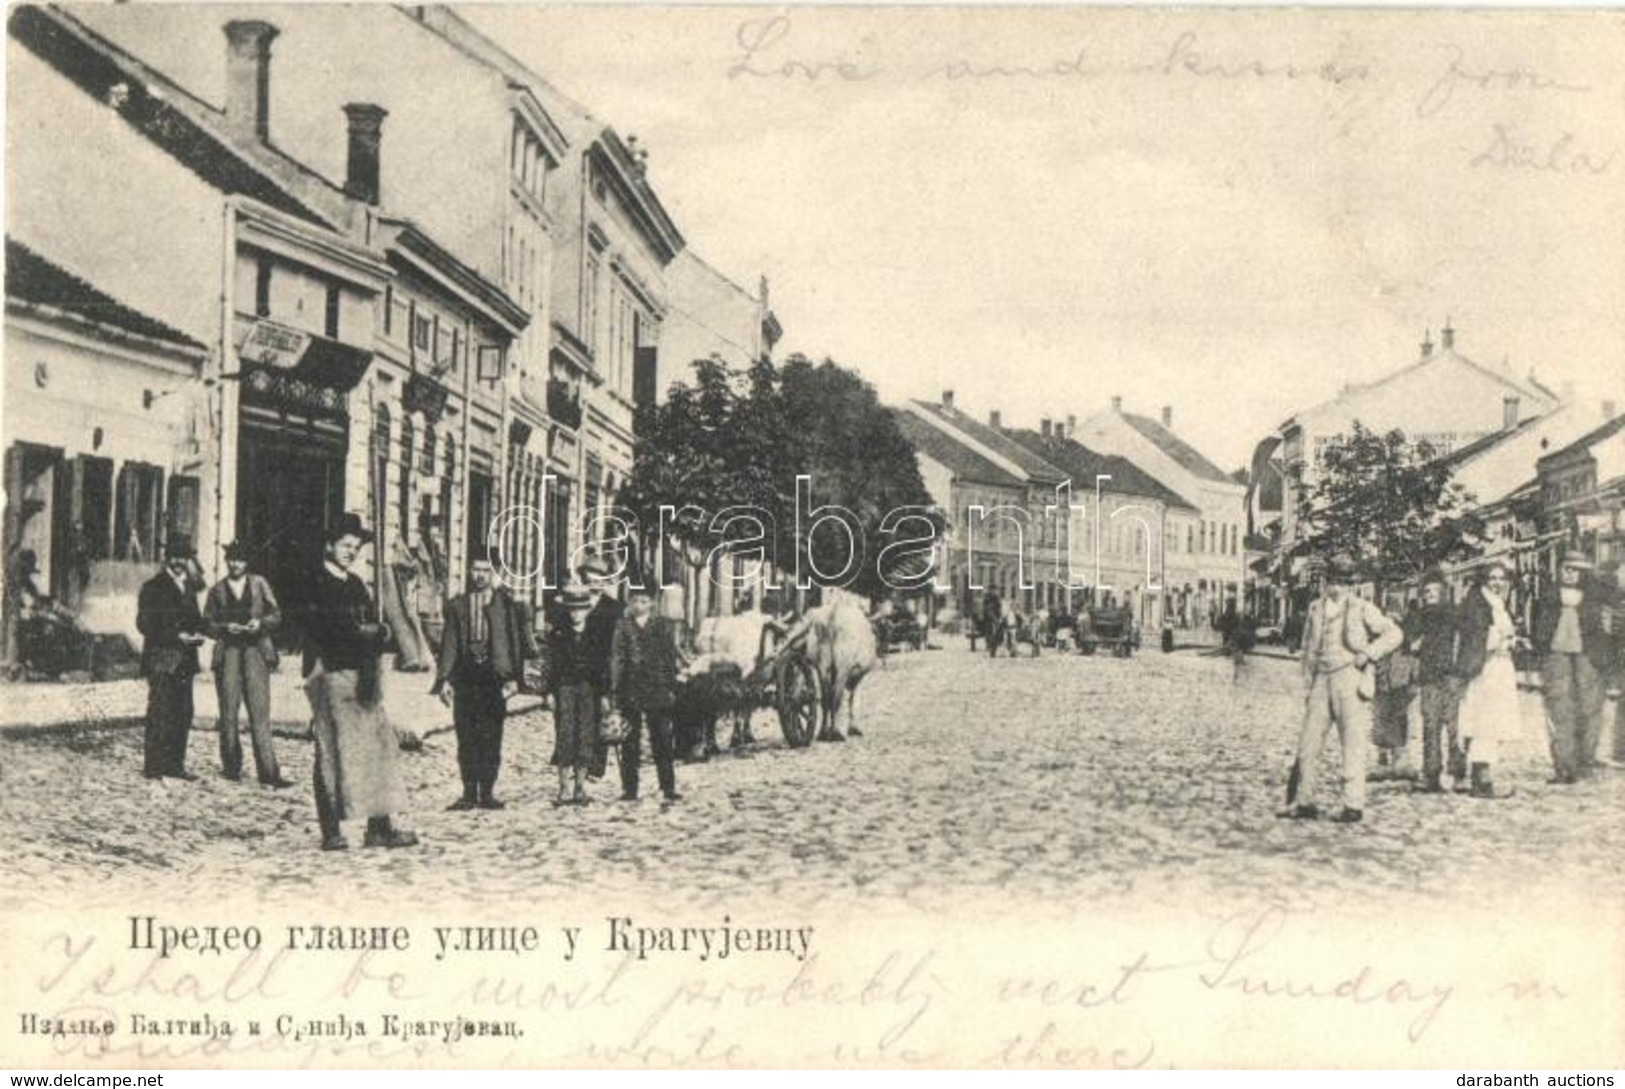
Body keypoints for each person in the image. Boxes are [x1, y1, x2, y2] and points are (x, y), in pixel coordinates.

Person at [301, 513, 417, 850]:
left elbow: (374, 627)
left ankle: (378, 826)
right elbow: (322, 630)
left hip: (363, 677)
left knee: (377, 749)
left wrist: (378, 632)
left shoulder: (355, 585)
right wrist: (361, 633)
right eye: (345, 545)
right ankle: (331, 830)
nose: (351, 551)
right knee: (332, 750)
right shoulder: (315, 583)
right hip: (330, 675)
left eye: (355, 546)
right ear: (330, 546)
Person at [1281, 554, 1403, 823]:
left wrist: (1370, 653)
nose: (1337, 587)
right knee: (1309, 743)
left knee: (1353, 742)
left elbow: (1394, 634)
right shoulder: (1315, 608)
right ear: (1326, 581)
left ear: (1351, 584)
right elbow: (1308, 649)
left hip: (1350, 677)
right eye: (1333, 581)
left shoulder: (1362, 608)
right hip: (1321, 679)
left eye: (1344, 582)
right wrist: (1307, 683)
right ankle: (1304, 801)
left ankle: (1353, 804)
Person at [432, 550, 531, 811]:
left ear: (495, 573)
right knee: (466, 734)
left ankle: (487, 792)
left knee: (491, 734)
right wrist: (444, 679)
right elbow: (449, 643)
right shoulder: (458, 605)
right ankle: (468, 792)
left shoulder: (507, 606)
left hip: (493, 676)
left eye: (486, 570)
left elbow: (515, 643)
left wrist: (513, 678)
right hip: (466, 675)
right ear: (468, 571)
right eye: (476, 569)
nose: (480, 575)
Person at [204, 541, 290, 787]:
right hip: (229, 652)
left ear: (247, 562)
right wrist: (223, 628)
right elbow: (207, 623)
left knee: (259, 712)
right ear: (226, 561)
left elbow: (276, 615)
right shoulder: (217, 590)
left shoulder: (259, 584)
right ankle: (231, 767)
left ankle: (269, 772)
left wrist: (260, 623)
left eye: (240, 560)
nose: (235, 564)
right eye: (231, 559)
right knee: (228, 712)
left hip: (255, 652)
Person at [1532, 551, 1611, 784]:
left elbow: (1603, 630)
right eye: (1566, 568)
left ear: (1582, 573)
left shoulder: (1593, 598)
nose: (1570, 573)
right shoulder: (1548, 596)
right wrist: (1539, 652)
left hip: (1586, 657)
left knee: (1589, 709)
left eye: (1575, 570)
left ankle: (1585, 760)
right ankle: (1564, 766)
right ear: (1560, 570)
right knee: (1560, 710)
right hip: (1556, 656)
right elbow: (1538, 626)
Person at [136, 539, 207, 780]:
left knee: (183, 712)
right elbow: (144, 623)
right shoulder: (153, 586)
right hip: (162, 659)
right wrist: (176, 636)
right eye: (175, 557)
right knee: (160, 711)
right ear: (167, 558)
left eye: (183, 557)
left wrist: (200, 634)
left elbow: (196, 619)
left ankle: (175, 765)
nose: (179, 562)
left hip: (185, 660)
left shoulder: (189, 587)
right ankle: (154, 766)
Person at [609, 582, 684, 803]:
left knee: (661, 738)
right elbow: (617, 658)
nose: (639, 605)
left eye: (644, 601)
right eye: (635, 601)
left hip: (656, 687)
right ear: (629, 603)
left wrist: (670, 686)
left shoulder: (662, 626)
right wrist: (614, 688)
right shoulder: (622, 626)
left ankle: (668, 786)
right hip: (630, 688)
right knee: (630, 741)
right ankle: (630, 789)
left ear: (652, 603)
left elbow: (669, 658)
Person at [1455, 563, 1522, 798]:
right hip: (1486, 670)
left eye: (1501, 578)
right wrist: (1503, 640)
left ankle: (1480, 776)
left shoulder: (1498, 604)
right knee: (1485, 721)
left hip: (1500, 668)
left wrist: (1511, 641)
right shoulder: (1478, 605)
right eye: (1492, 578)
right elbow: (1476, 637)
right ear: (1484, 581)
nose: (1497, 583)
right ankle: (1480, 779)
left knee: (1491, 722)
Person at [1406, 570, 1466, 794]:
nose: (1431, 595)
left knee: (1454, 726)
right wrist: (1415, 642)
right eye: (1427, 591)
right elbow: (1409, 642)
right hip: (1429, 676)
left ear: (1443, 592)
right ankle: (1431, 773)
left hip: (1451, 675)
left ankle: (1458, 773)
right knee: (1430, 724)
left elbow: (1463, 640)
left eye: (1435, 591)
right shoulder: (1419, 616)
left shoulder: (1454, 614)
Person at [546, 586, 600, 805]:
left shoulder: (595, 634)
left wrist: (603, 694)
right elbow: (551, 665)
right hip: (565, 688)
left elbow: (601, 666)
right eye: (572, 610)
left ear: (587, 610)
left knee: (585, 735)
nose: (576, 614)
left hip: (588, 689)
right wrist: (549, 692)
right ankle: (563, 789)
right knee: (565, 734)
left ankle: (580, 787)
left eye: (580, 609)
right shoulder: (558, 634)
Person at [1371, 592, 1418, 780]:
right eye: (1389, 615)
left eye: (1396, 615)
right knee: (1381, 718)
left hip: (1401, 682)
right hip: (1382, 683)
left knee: (1400, 717)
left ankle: (1400, 758)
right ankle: (1382, 759)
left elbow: (1413, 659)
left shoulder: (1406, 636)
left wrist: (1413, 680)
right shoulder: (1378, 636)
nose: (1392, 619)